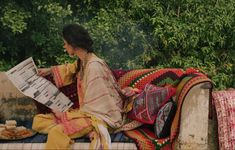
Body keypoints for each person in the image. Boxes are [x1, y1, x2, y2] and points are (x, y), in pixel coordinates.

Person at [32, 24, 136, 149]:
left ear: (73, 44)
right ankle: (82, 130)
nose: (64, 46)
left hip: (98, 118)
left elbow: (96, 108)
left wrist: (65, 115)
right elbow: (70, 68)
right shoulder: (84, 61)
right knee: (39, 120)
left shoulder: (94, 66)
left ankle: (87, 130)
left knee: (56, 132)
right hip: (88, 112)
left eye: (65, 43)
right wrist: (49, 70)